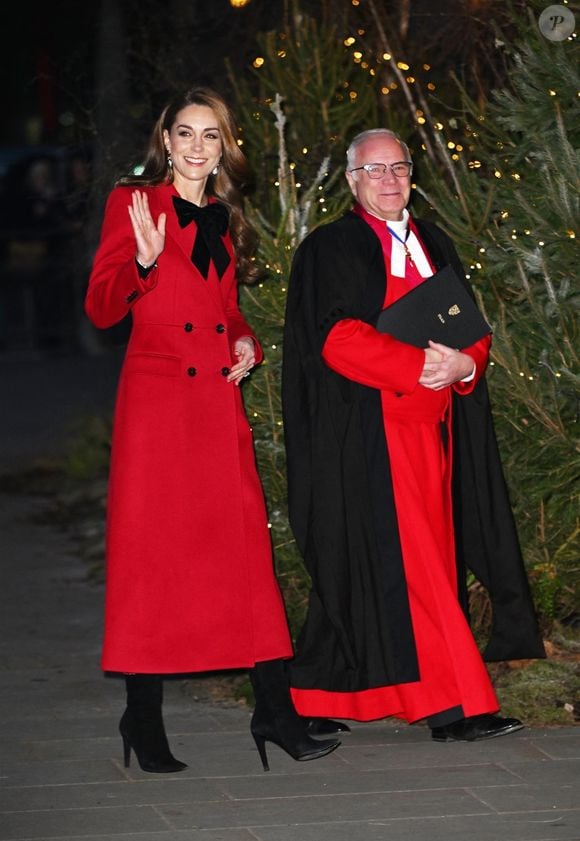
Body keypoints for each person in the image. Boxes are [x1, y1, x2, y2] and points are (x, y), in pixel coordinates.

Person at [84, 86, 340, 773]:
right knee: (152, 563)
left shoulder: (222, 219)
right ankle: (142, 716)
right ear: (165, 141)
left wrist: (246, 341)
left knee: (245, 561)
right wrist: (140, 263)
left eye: (211, 135)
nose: (198, 146)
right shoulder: (132, 204)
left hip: (215, 412)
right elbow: (103, 307)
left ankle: (275, 711)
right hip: (159, 412)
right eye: (186, 133)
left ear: (224, 147)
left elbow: (224, 312)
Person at [282, 128, 545, 742]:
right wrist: (416, 367)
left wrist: (466, 364)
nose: (389, 180)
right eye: (373, 171)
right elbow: (333, 336)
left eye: (398, 167)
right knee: (419, 569)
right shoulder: (332, 246)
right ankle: (457, 706)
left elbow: (468, 324)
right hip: (374, 434)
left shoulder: (435, 241)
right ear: (351, 180)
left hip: (439, 436)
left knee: (375, 569)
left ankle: (317, 689)